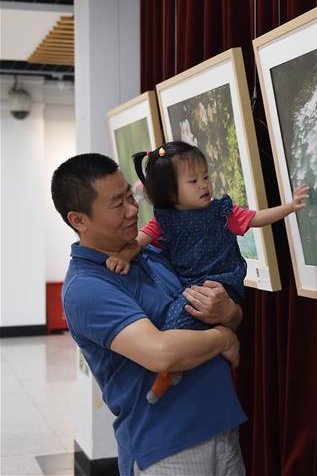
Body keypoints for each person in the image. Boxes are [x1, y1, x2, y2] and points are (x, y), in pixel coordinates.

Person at [52, 153, 245, 475]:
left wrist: (230, 312)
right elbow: (162, 353)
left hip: (222, 425)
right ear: (79, 220)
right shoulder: (86, 288)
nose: (132, 210)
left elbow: (223, 316)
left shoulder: (151, 252)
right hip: (167, 446)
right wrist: (224, 336)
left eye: (130, 195)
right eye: (117, 205)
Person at [106, 140, 309, 404]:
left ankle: (169, 372)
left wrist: (289, 207)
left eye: (205, 177)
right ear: (170, 191)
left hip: (223, 281)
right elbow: (140, 241)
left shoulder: (221, 211)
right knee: (177, 320)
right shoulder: (164, 220)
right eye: (193, 181)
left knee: (181, 318)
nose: (204, 185)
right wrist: (123, 256)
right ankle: (182, 365)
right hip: (190, 286)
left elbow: (256, 218)